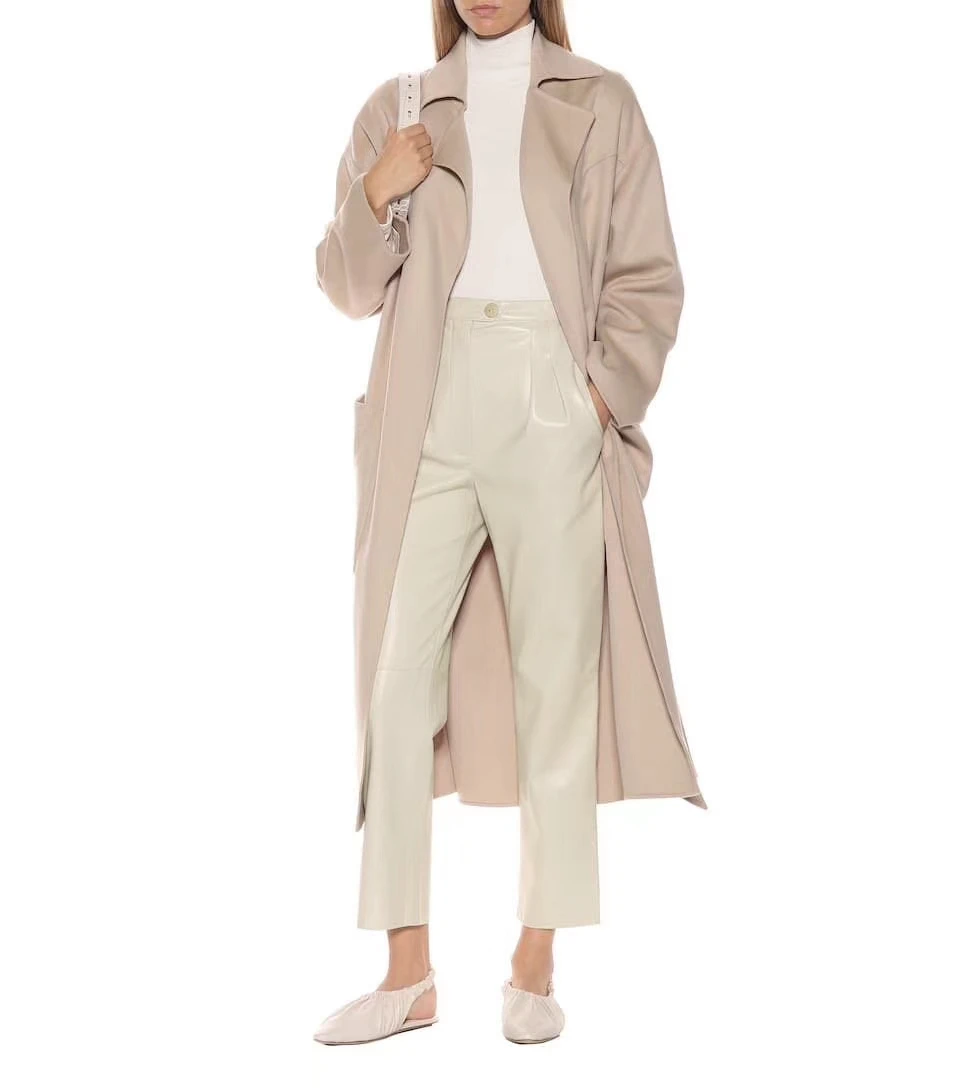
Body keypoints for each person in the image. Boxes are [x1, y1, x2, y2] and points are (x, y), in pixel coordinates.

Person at [312, 0, 704, 1045]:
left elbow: (648, 275)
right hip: (430, 398)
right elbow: (347, 287)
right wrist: (374, 193)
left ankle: (535, 957)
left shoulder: (601, 101)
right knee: (394, 677)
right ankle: (406, 972)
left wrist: (599, 395)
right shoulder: (399, 106)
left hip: (551, 394)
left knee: (554, 680)